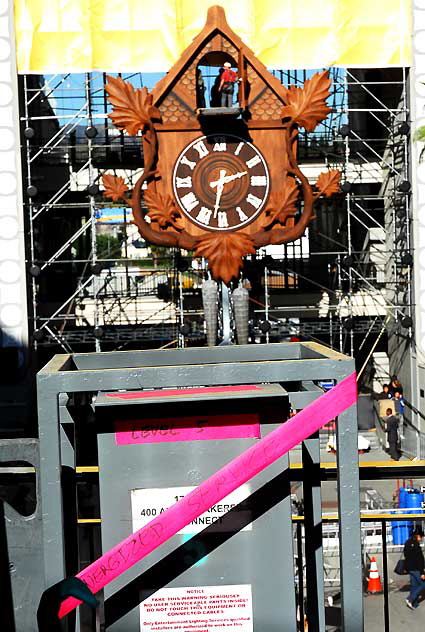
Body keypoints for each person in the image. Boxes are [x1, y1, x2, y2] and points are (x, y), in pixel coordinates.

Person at [404, 525, 425, 609]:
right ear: (417, 536)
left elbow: (406, 555)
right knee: (423, 584)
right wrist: (422, 572)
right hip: (417, 569)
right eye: (421, 537)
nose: (422, 538)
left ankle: (414, 603)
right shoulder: (416, 546)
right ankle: (410, 598)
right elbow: (419, 560)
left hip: (410, 568)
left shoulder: (407, 543)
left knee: (414, 585)